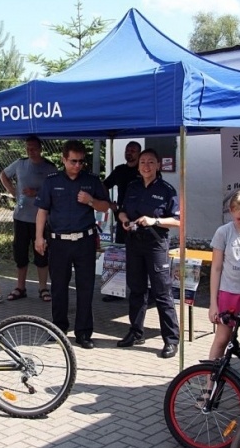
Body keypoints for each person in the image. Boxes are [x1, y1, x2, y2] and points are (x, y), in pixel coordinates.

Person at [35, 140, 110, 349]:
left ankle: (84, 332)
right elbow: (42, 211)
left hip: (84, 241)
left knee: (85, 287)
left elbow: (105, 207)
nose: (77, 165)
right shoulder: (52, 181)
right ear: (64, 159)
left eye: (81, 162)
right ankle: (59, 329)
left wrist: (90, 201)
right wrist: (39, 237)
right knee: (59, 287)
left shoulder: (91, 181)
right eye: (73, 161)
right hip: (59, 242)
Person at [115, 149, 181, 358]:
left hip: (156, 244)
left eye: (151, 162)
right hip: (134, 243)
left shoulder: (167, 190)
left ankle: (171, 340)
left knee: (162, 293)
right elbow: (122, 211)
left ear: (158, 165)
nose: (146, 166)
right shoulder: (132, 187)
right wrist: (125, 220)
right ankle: (136, 333)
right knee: (136, 290)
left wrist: (155, 221)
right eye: (142, 162)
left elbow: (178, 221)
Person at [0, 136, 57, 302]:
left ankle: (43, 288)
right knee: (20, 253)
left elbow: (55, 190)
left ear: (40, 149)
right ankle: (20, 287)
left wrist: (37, 193)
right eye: (28, 148)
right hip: (21, 217)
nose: (30, 151)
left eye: (33, 148)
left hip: (41, 219)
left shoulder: (50, 167)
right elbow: (3, 174)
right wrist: (13, 191)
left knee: (42, 254)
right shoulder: (20, 163)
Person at [208, 190, 240, 363]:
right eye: (239, 219)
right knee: (222, 338)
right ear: (231, 212)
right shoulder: (224, 232)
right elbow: (216, 268)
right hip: (229, 292)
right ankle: (211, 378)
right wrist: (213, 303)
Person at [101, 140, 142, 302]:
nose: (129, 153)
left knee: (139, 255)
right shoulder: (120, 170)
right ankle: (115, 290)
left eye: (132, 150)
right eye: (127, 150)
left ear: (139, 153)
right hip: (122, 217)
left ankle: (143, 291)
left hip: (141, 219)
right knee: (119, 253)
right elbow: (104, 185)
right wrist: (109, 203)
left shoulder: (143, 170)